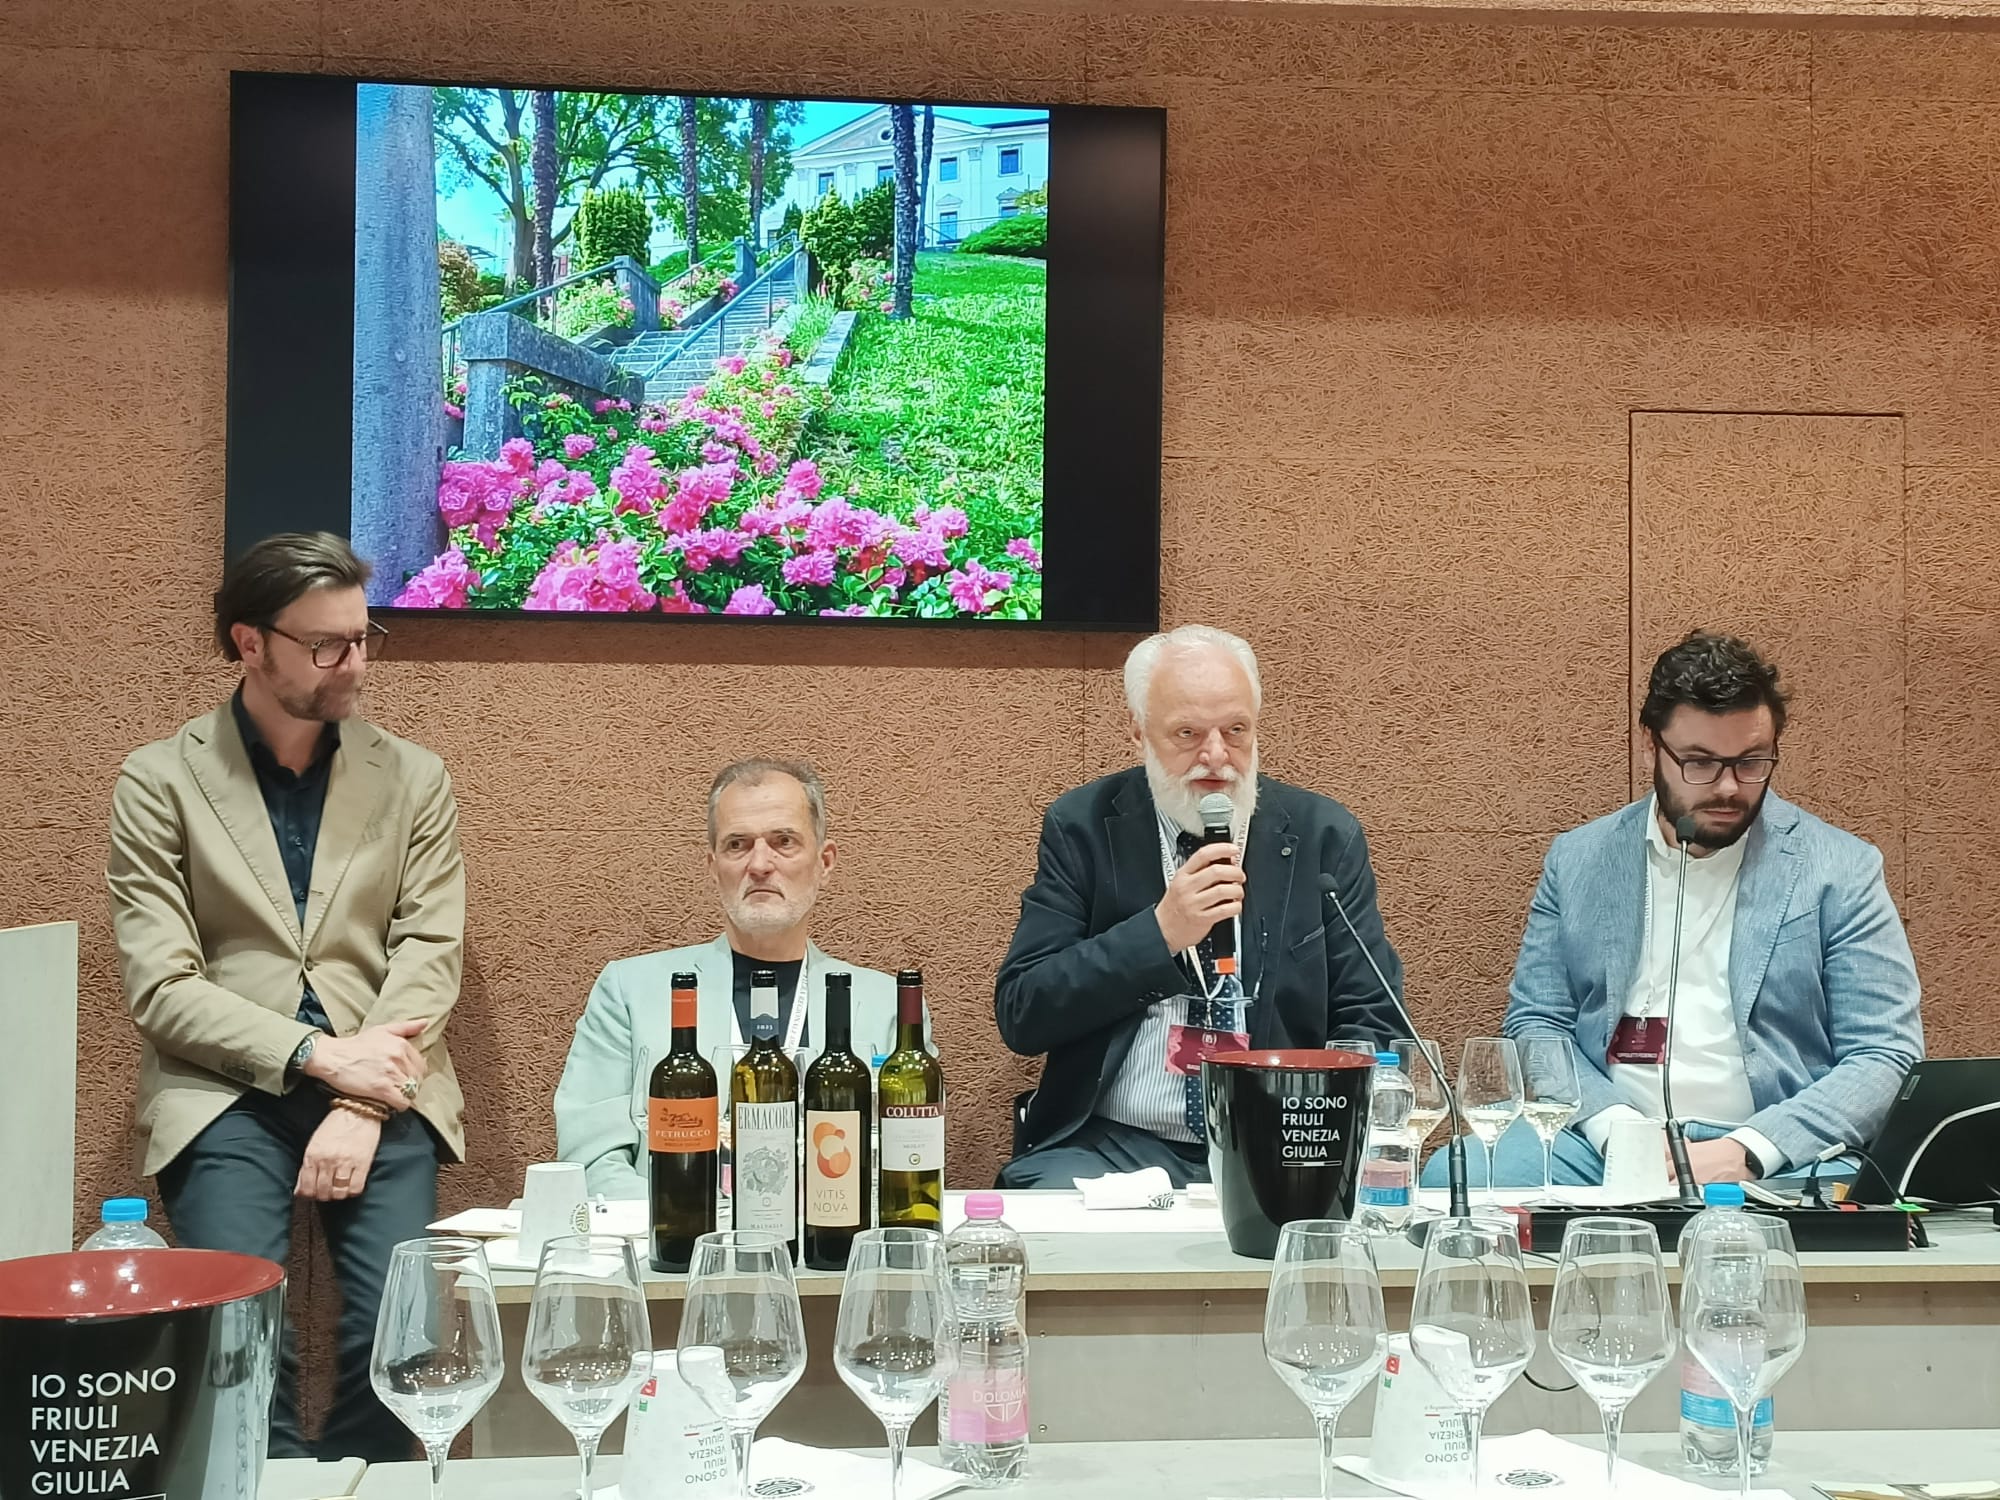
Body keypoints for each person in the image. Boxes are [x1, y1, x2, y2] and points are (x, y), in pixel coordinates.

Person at [106, 532, 465, 1460]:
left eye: (363, 636)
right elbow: (162, 987)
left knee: (405, 1334)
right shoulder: (160, 781)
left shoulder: (414, 777)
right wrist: (318, 1056)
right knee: (237, 1337)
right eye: (326, 644)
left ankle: (359, 1479)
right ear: (250, 643)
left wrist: (360, 1098)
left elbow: (429, 952)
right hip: (224, 1089)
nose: (356, 663)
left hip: (385, 1077)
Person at [1487, 629, 1923, 1188]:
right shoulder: (1579, 860)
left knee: (1856, 1195)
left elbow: (1884, 1052)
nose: (1728, 788)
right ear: (1651, 745)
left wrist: (1752, 1149)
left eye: (1751, 762)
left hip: (1778, 1154)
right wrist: (1614, 1128)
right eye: (1699, 763)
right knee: (1465, 1172)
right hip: (1602, 1143)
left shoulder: (1841, 868)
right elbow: (1537, 1023)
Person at [993, 625, 1403, 1189]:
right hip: (1113, 1144)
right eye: (1187, 733)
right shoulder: (1083, 826)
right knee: (1048, 1219)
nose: (1215, 756)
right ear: (1138, 731)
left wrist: (1317, 1128)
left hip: (1284, 1138)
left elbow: (1373, 1018)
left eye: (1236, 730)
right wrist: (1159, 934)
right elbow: (1024, 1011)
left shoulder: (1322, 836)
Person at [555, 758, 900, 1198]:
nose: (760, 864)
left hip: (831, 1232)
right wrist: (690, 1222)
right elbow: (591, 1162)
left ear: (824, 862)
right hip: (675, 1236)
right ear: (713, 865)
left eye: (784, 841)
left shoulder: (887, 1005)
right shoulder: (630, 992)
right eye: (738, 844)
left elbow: (904, 1162)